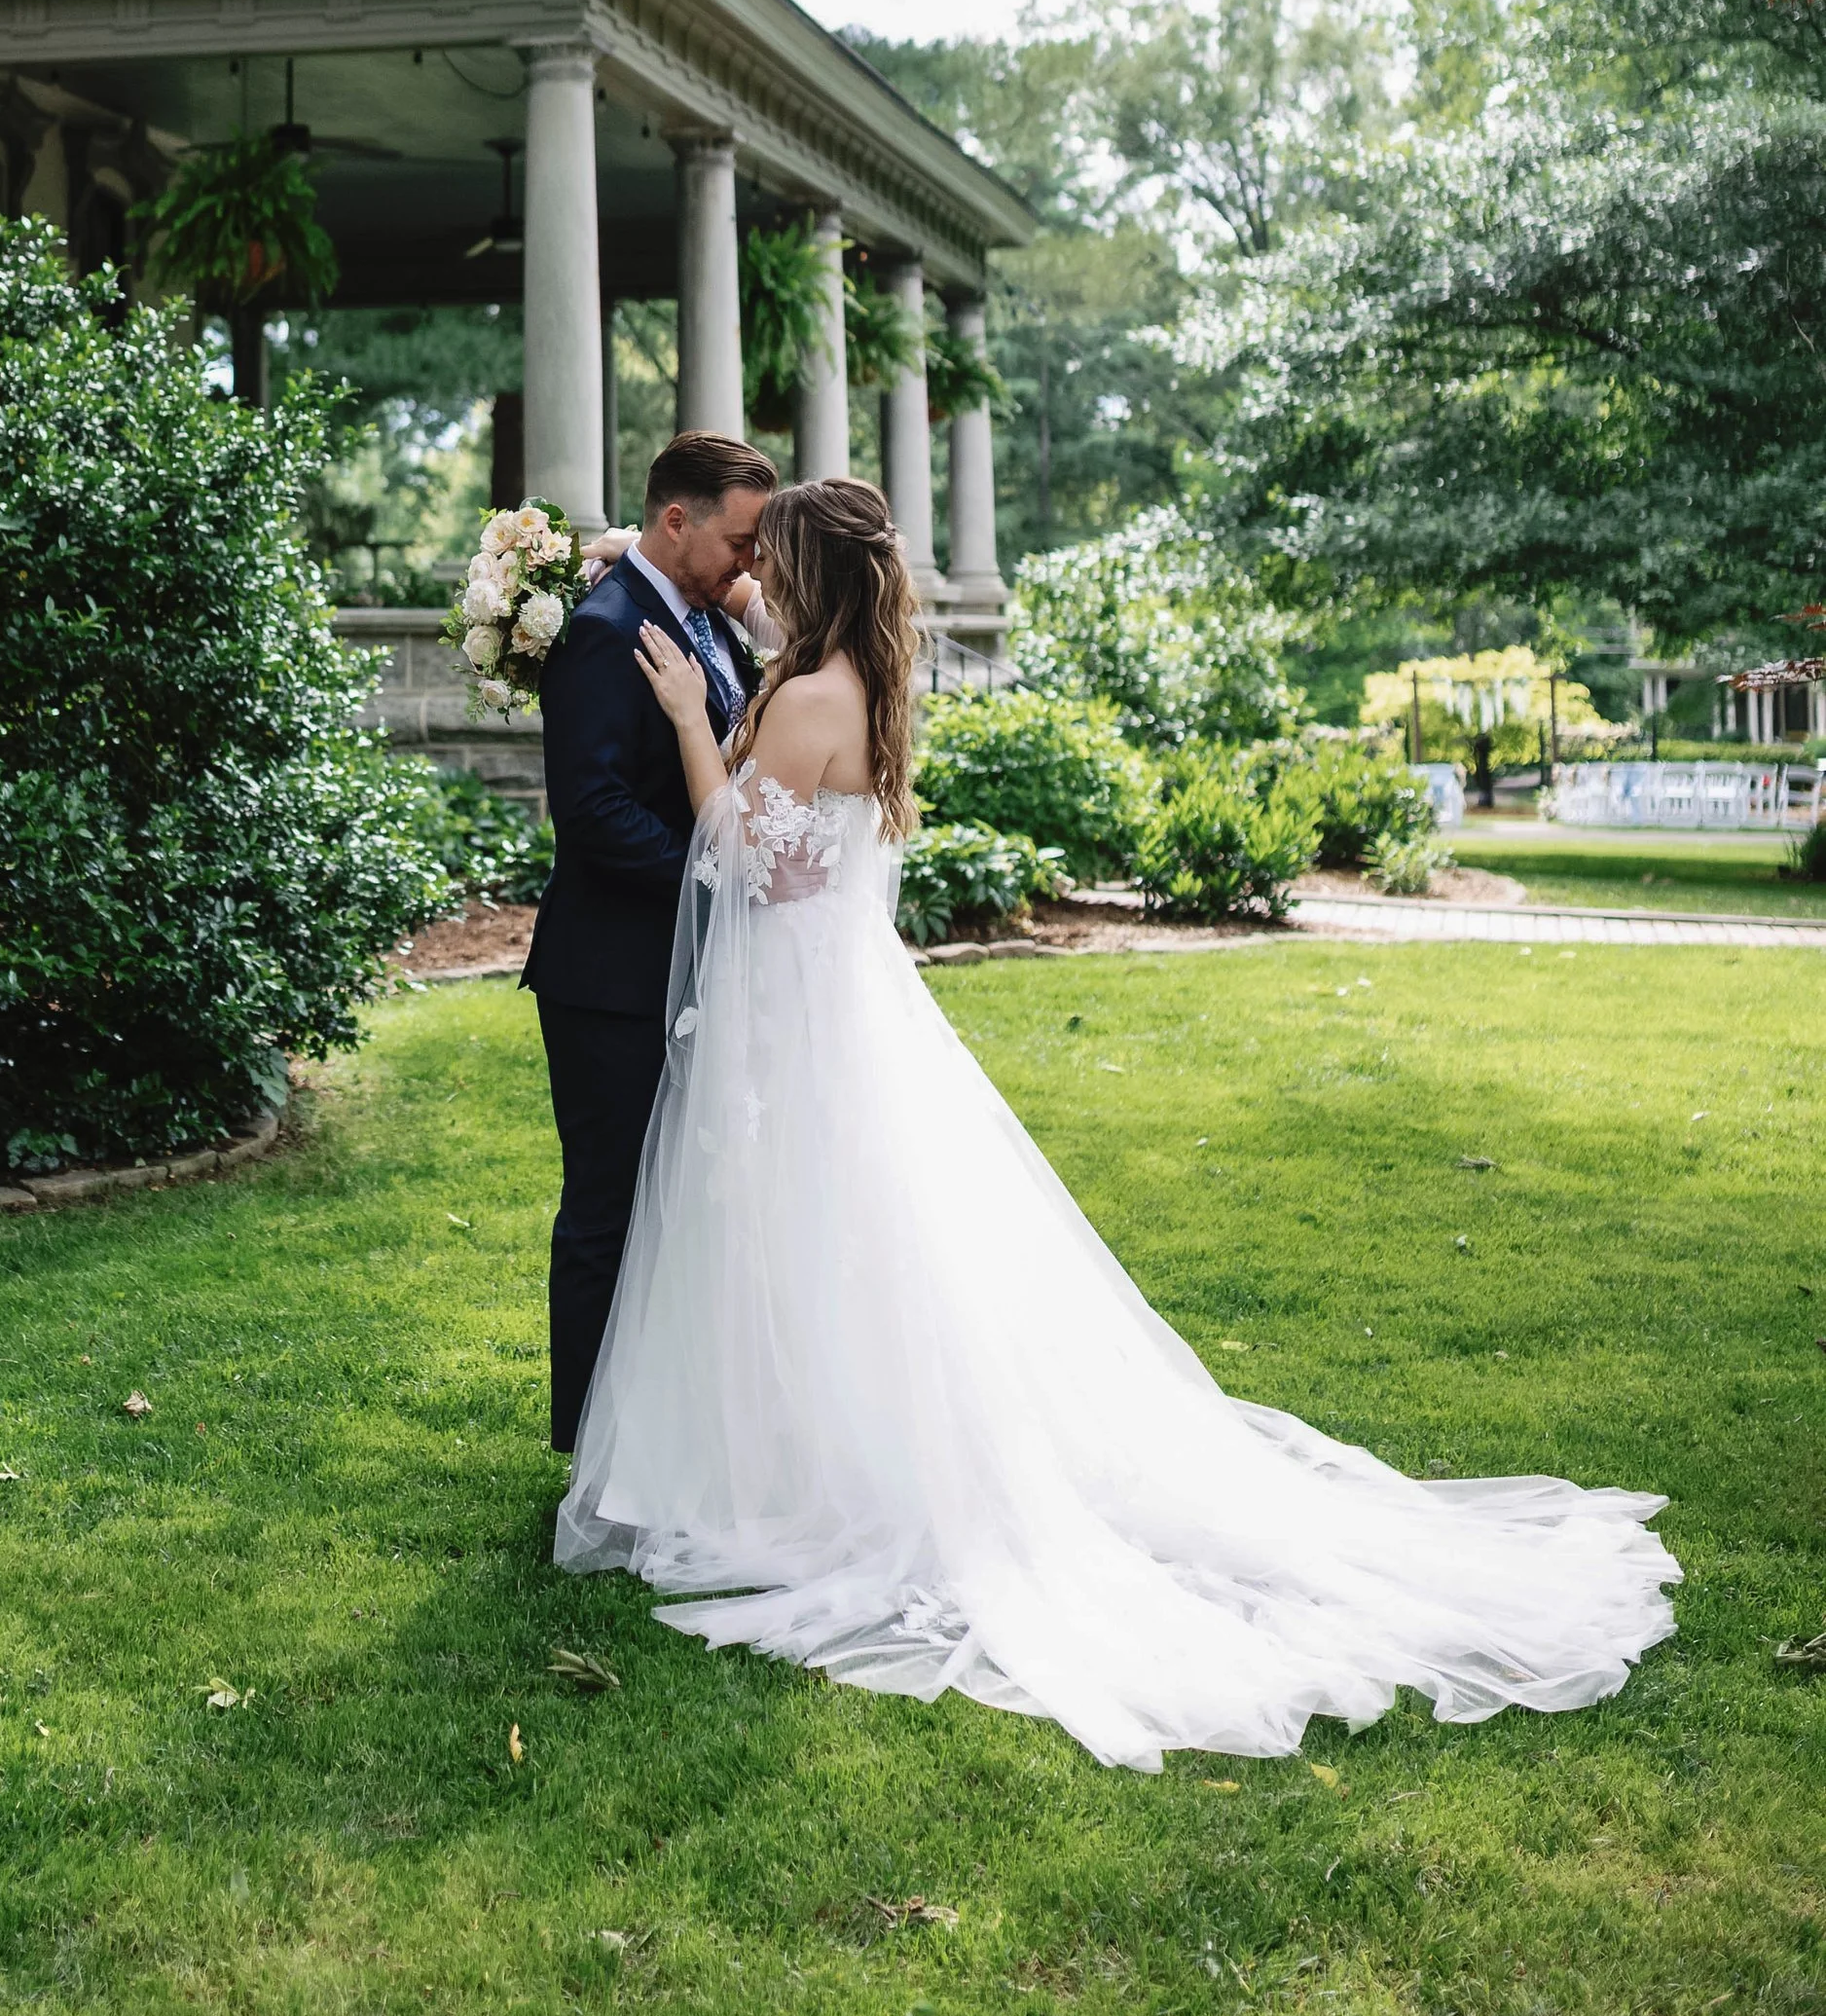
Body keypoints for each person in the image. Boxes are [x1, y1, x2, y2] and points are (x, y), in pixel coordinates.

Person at [555, 474, 1681, 1774]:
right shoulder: (853, 676)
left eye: (772, 562)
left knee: (811, 1231)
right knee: (852, 1237)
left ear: (807, 576)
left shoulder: (800, 698)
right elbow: (777, 690)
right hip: (842, 1001)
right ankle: (804, 1446)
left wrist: (696, 716)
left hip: (802, 1015)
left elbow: (732, 855)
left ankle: (811, 1477)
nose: (756, 577)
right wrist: (641, 561)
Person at [523, 429, 780, 1451]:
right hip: (610, 975)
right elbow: (589, 810)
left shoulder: (703, 616)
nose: (751, 561)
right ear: (677, 520)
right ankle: (584, 1440)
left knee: (678, 1198)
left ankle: (654, 1427)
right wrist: (718, 871)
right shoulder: (604, 627)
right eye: (742, 539)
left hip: (681, 963)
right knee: (607, 1207)